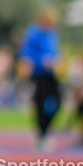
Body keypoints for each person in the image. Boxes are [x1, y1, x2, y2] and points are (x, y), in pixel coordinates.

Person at [17, 8, 61, 152]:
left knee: (58, 100)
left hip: (52, 73)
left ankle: (44, 132)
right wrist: (41, 61)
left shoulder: (51, 33)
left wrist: (56, 60)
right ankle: (41, 136)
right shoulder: (33, 32)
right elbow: (26, 53)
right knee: (40, 104)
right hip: (38, 74)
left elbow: (54, 51)